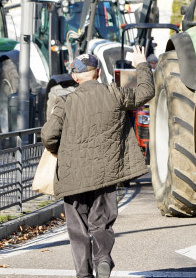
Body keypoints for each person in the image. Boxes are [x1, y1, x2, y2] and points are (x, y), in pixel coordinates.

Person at [41, 46, 153, 278]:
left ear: (74, 77)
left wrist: (58, 151)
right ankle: (102, 259)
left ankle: (83, 273)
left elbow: (49, 135)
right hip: (105, 175)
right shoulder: (115, 93)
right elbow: (145, 91)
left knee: (77, 228)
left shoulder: (64, 102)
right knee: (101, 223)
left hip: (73, 177)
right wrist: (140, 64)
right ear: (99, 72)